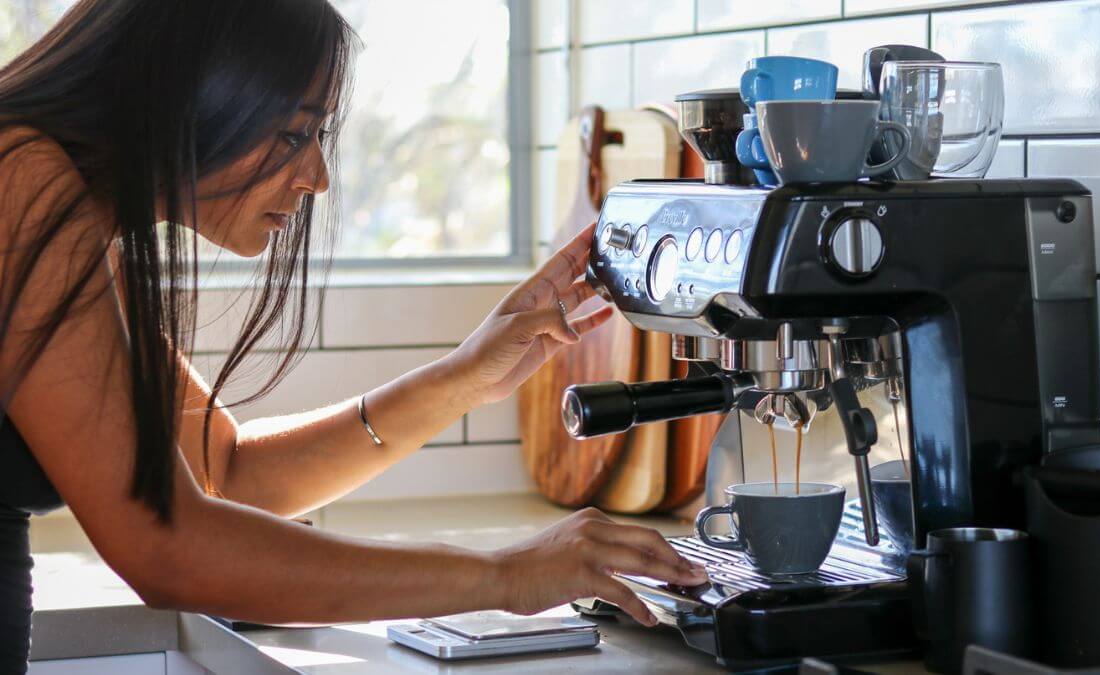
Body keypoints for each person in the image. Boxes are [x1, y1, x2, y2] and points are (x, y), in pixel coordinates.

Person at [0, 1, 706, 670]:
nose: (318, 177)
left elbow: (229, 474)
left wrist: (463, 377)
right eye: (293, 134)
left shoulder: (83, 231)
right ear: (191, 93)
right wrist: (506, 574)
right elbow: (172, 546)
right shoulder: (22, 185)